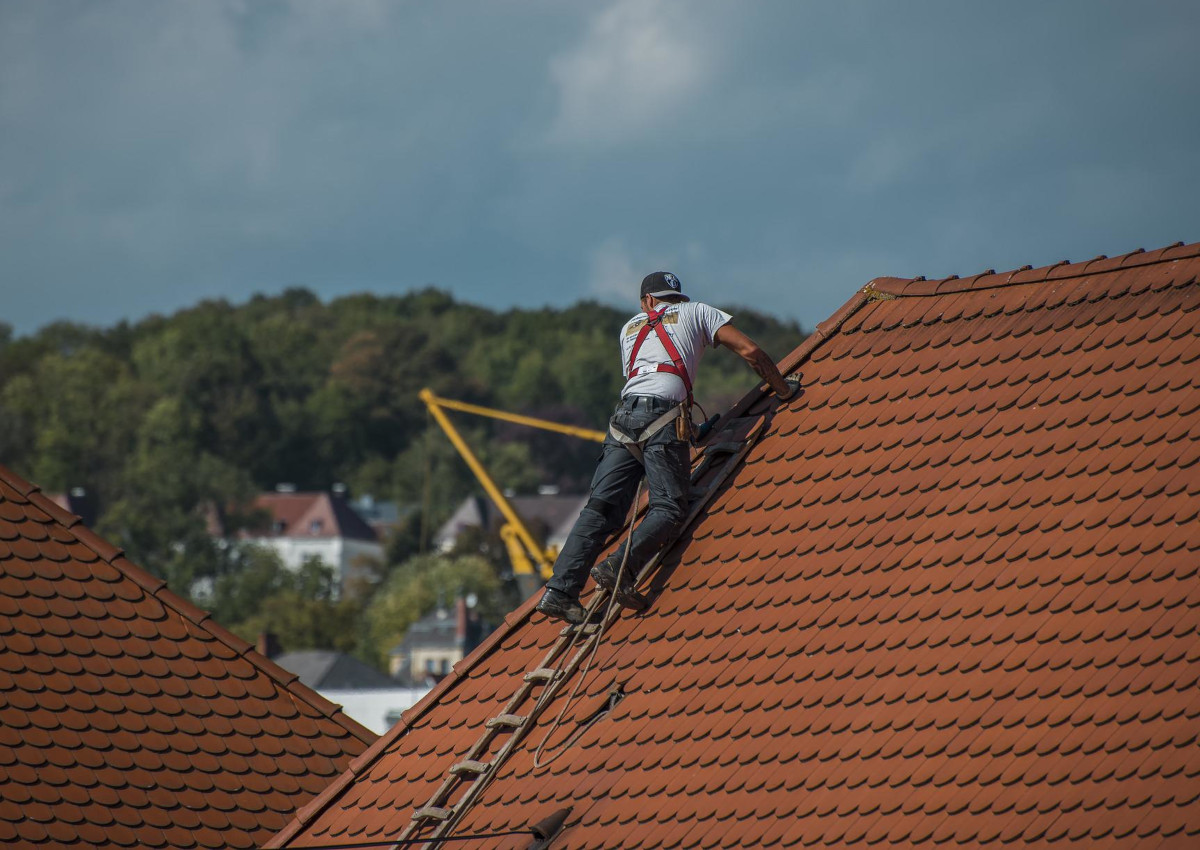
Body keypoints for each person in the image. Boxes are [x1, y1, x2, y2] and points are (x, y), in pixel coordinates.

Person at [535, 271, 795, 624]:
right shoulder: (698, 312)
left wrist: (690, 432)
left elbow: (648, 378)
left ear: (646, 302)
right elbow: (750, 351)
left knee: (600, 509)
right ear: (674, 298)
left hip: (623, 420)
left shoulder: (629, 328)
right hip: (663, 416)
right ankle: (618, 568)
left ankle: (559, 591)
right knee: (670, 508)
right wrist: (783, 389)